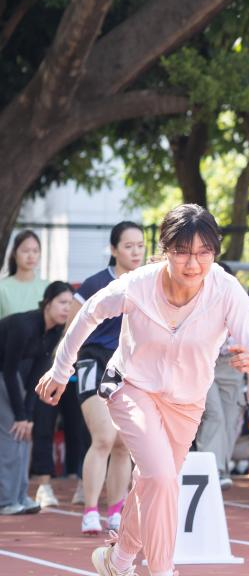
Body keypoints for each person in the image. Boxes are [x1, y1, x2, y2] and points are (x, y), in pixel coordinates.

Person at [37, 204, 249, 576]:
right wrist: (61, 369)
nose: (193, 264)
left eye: (204, 253)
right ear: (165, 250)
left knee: (151, 486)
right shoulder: (139, 284)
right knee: (162, 478)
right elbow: (88, 313)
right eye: (182, 252)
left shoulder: (225, 289)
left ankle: (117, 560)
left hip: (187, 403)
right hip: (132, 387)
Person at [71, 221, 146, 533]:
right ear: (114, 250)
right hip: (93, 360)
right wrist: (64, 366)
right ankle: (90, 511)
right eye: (128, 246)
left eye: (140, 245)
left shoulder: (148, 283)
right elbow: (72, 328)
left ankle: (116, 510)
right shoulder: (95, 284)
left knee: (123, 443)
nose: (136, 252)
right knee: (103, 437)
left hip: (128, 365)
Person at [0, 283, 73, 515]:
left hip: (12, 376)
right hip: (5, 373)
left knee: (24, 434)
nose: (67, 308)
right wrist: (20, 416)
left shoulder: (55, 331)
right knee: (12, 432)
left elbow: (36, 374)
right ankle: (5, 501)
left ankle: (19, 496)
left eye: (70, 304)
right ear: (48, 303)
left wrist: (28, 416)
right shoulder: (23, 326)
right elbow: (9, 371)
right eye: (62, 302)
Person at [195, 261, 249, 492]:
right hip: (205, 366)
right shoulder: (198, 303)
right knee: (215, 415)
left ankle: (221, 468)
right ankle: (212, 470)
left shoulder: (240, 304)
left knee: (231, 419)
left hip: (233, 367)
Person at [0, 230, 49, 318]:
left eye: (35, 251)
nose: (31, 256)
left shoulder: (47, 287)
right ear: (14, 253)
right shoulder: (2, 288)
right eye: (26, 251)